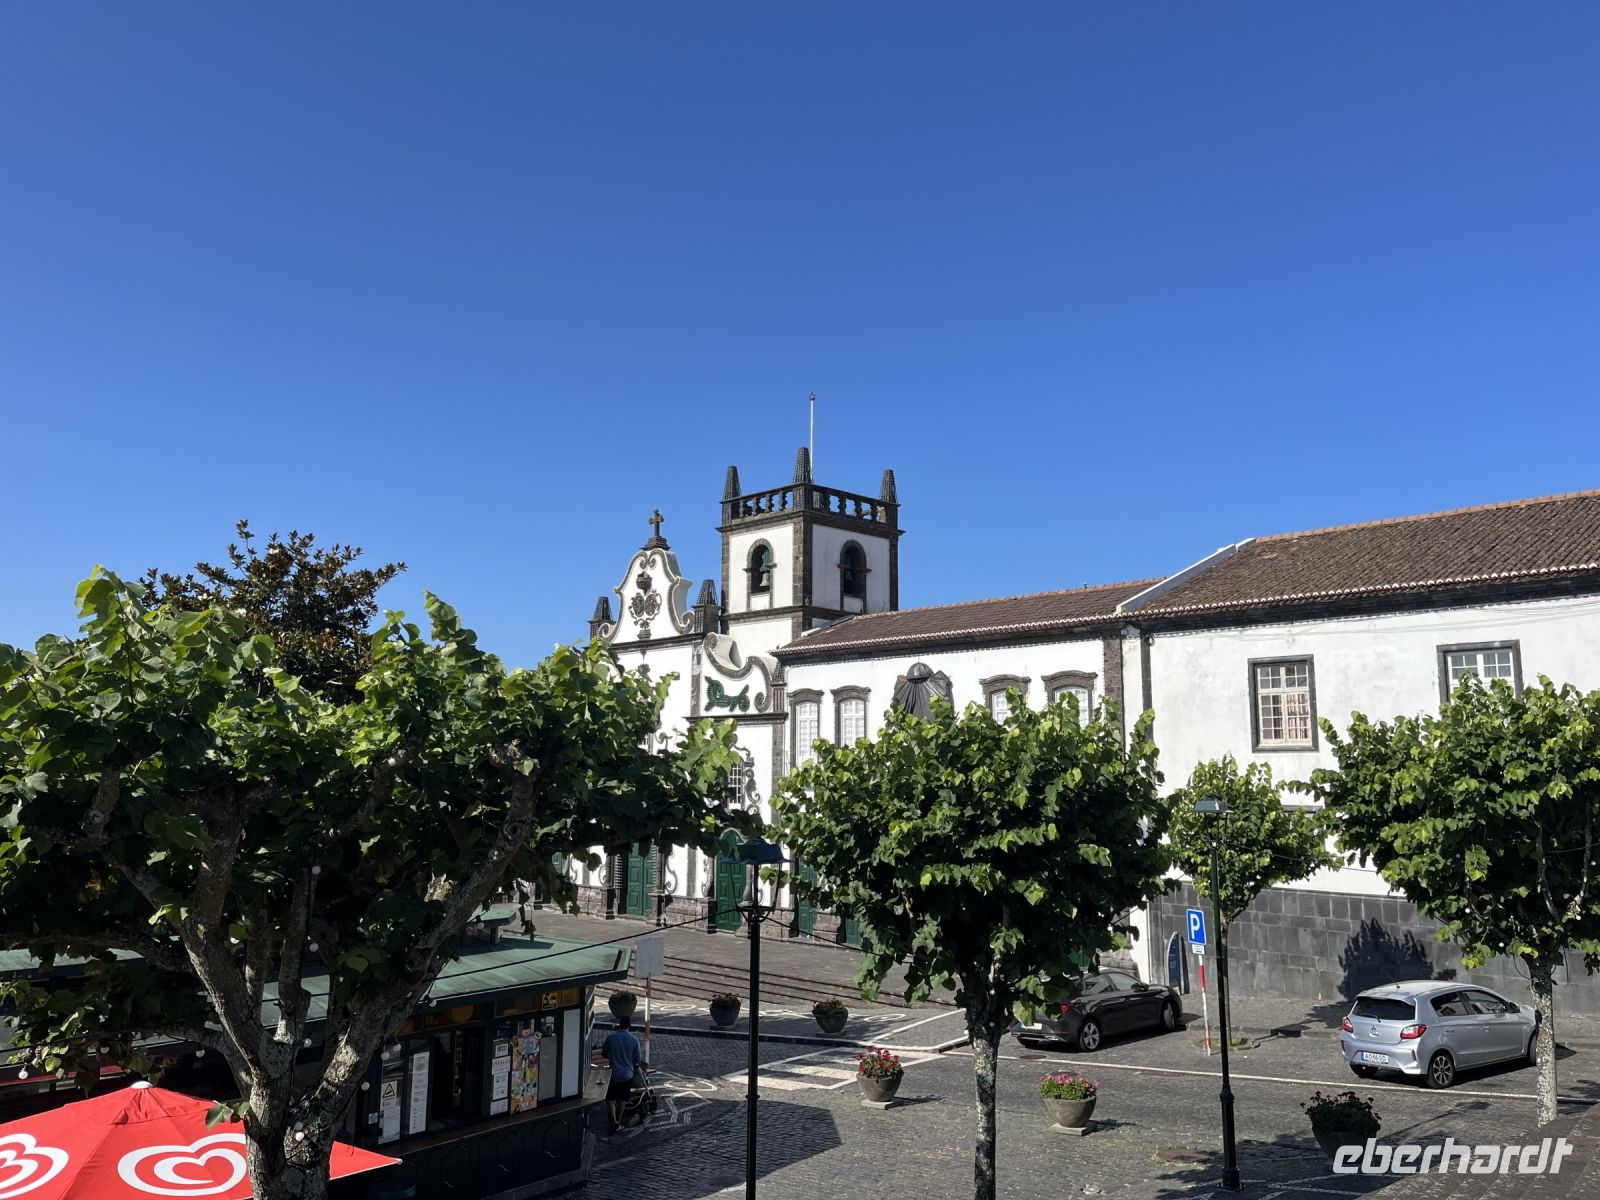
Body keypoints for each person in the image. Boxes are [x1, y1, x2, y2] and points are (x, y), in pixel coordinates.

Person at [598, 1014, 643, 1134]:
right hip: (627, 1074)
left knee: (610, 1098)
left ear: (619, 1025)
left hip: (613, 1073)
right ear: (629, 1026)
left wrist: (612, 1056)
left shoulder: (611, 1038)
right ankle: (618, 1121)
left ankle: (613, 1121)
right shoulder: (634, 1040)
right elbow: (638, 1059)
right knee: (622, 1099)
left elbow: (604, 1053)